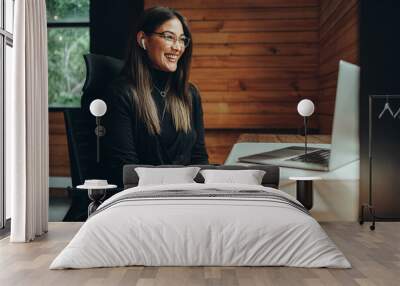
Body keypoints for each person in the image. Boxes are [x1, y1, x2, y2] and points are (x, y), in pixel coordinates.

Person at [103, 6, 209, 187]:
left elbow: (199, 158)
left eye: (182, 40)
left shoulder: (189, 94)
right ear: (143, 40)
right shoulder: (121, 94)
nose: (178, 47)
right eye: (169, 37)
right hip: (143, 200)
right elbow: (127, 170)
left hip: (186, 196)